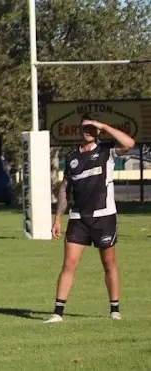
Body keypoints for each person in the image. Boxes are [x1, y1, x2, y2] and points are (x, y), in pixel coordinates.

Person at [46, 116, 136, 323]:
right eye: (85, 128)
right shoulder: (71, 158)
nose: (88, 131)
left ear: (98, 131)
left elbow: (130, 143)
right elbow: (64, 189)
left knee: (109, 263)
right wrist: (58, 217)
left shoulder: (107, 151)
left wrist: (103, 125)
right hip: (78, 218)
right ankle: (57, 313)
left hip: (104, 217)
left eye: (91, 128)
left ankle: (114, 309)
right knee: (69, 264)